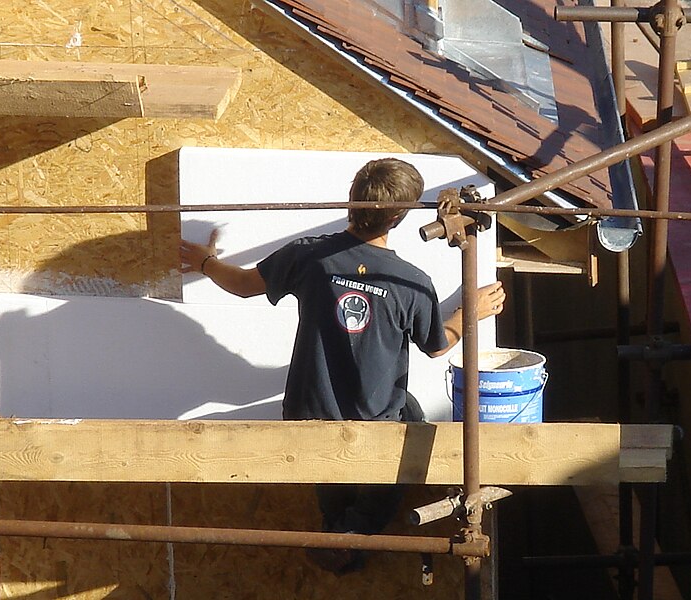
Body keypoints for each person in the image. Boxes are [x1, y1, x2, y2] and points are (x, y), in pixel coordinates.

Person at [180, 157, 505, 574]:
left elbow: (243, 286)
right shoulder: (410, 281)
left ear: (351, 201)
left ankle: (339, 536)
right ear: (400, 217)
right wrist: (469, 312)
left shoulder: (310, 257)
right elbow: (437, 346)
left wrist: (206, 262)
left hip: (308, 414)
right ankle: (350, 537)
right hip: (375, 419)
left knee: (333, 480)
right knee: (410, 423)